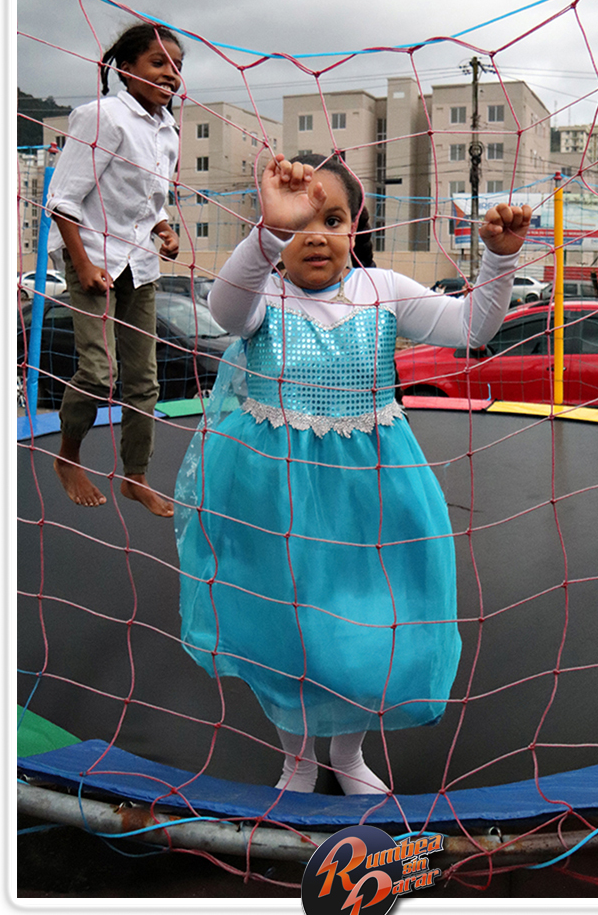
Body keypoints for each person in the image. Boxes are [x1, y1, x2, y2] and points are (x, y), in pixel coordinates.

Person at [175, 153, 532, 795]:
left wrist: (499, 261)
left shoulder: (381, 288)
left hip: (371, 490)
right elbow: (225, 310)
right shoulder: (264, 295)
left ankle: (346, 754)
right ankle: (297, 758)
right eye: (299, 224)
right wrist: (269, 230)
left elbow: (472, 327)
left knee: (366, 627)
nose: (315, 236)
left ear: (355, 228)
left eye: (332, 220)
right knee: (287, 630)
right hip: (275, 491)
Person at [45, 22, 184, 516]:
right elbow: (63, 199)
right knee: (100, 372)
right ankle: (68, 456)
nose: (171, 74)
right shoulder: (101, 117)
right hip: (95, 259)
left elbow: (149, 201)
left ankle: (135, 476)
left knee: (144, 380)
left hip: (139, 265)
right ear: (126, 70)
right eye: (158, 63)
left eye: (177, 67)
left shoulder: (169, 132)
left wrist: (163, 230)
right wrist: (82, 264)